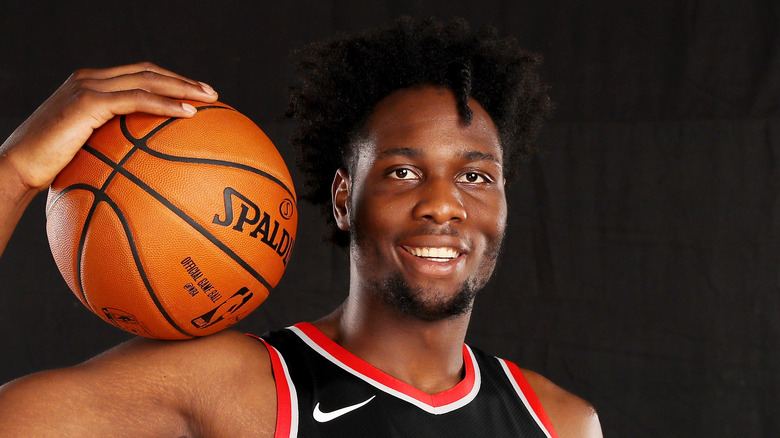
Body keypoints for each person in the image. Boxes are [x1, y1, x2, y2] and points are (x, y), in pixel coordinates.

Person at [0, 17, 602, 437]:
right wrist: (17, 171)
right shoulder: (238, 387)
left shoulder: (561, 423)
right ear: (344, 198)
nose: (443, 206)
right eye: (402, 170)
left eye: (476, 178)